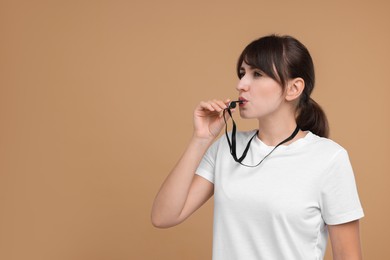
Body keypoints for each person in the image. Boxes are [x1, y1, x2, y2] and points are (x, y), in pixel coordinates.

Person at [151, 34, 364, 260]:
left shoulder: (329, 159)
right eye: (242, 73)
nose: (240, 85)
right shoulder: (226, 148)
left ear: (293, 88)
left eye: (257, 74)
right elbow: (163, 217)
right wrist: (201, 139)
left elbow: (348, 256)